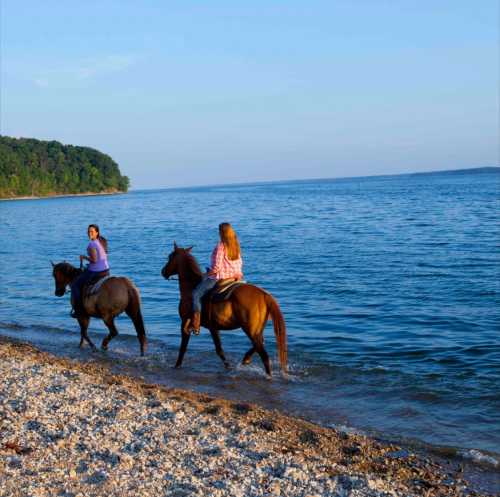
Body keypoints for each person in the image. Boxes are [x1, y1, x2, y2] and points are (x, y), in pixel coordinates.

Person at [188, 223, 243, 334]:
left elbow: (217, 268)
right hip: (235, 277)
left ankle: (196, 324)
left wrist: (206, 275)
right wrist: (237, 273)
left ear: (221, 232)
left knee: (195, 294)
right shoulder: (235, 244)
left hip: (219, 277)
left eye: (219, 231)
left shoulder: (221, 246)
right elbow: (239, 262)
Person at [70, 224, 110, 318]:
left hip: (96, 272)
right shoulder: (101, 241)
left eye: (92, 231)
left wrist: (84, 257)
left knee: (75, 285)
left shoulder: (92, 244)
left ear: (97, 233)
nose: (89, 233)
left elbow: (94, 260)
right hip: (106, 270)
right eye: (88, 231)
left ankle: (79, 310)